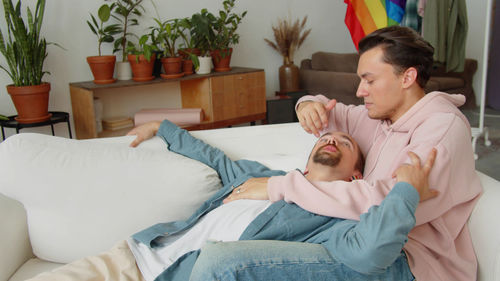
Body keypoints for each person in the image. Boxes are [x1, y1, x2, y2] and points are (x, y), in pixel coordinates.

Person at [207, 26, 482, 281]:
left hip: (408, 261)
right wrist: (307, 105)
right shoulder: (380, 117)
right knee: (219, 247)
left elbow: (393, 202)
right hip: (353, 238)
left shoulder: (441, 130)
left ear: (407, 77)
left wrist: (280, 186)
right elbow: (326, 108)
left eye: (369, 80)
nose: (360, 91)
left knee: (225, 264)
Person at [28, 119, 436, 281]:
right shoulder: (267, 177)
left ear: (356, 174)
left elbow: (371, 252)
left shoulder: (334, 216)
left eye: (345, 142)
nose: (332, 138)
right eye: (327, 136)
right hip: (135, 255)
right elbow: (214, 159)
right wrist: (164, 127)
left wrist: (406, 191)